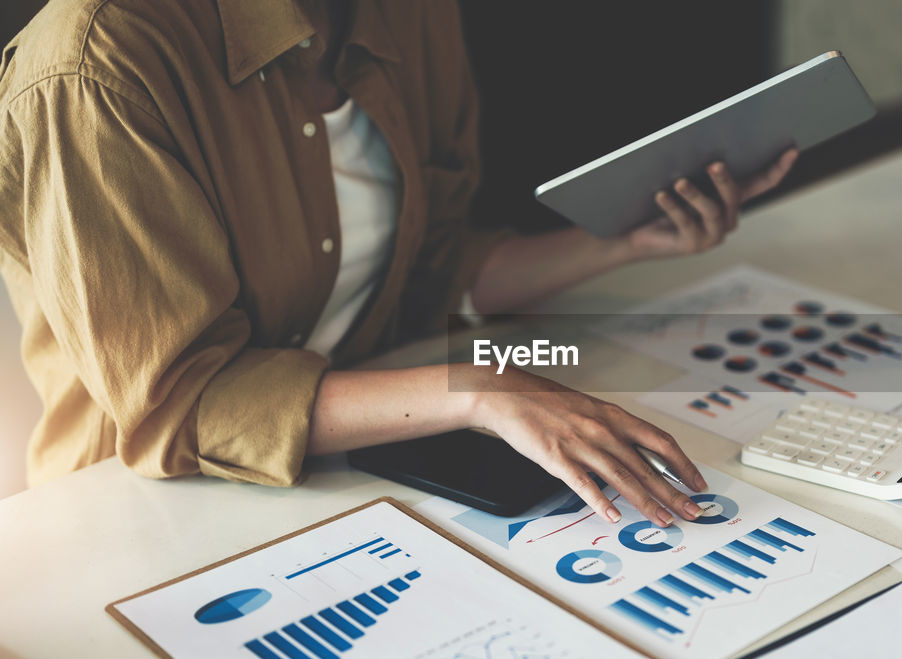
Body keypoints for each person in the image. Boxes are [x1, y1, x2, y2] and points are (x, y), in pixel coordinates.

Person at [0, 0, 795, 528]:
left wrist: (624, 242)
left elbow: (433, 269)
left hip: (370, 459)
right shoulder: (95, 65)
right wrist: (481, 389)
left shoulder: (409, 13)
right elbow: (179, 407)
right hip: (150, 514)